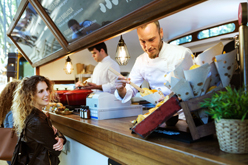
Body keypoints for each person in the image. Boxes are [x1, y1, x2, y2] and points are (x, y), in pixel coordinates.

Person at [115, 21, 193, 102]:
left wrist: (173, 100)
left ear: (161, 33)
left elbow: (195, 88)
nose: (148, 47)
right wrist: (120, 89)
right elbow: (130, 89)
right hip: (160, 110)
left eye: (151, 40)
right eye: (143, 41)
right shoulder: (141, 61)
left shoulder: (183, 54)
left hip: (184, 111)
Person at [12, 75, 66, 165]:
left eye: (47, 89)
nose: (47, 94)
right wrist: (60, 138)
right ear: (31, 95)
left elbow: (53, 135)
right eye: (41, 91)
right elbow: (56, 150)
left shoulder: (32, 114)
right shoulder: (36, 121)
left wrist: (60, 137)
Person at [0, 80, 20, 165]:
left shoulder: (6, 110)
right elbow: (17, 133)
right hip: (15, 152)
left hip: (11, 151)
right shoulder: (13, 112)